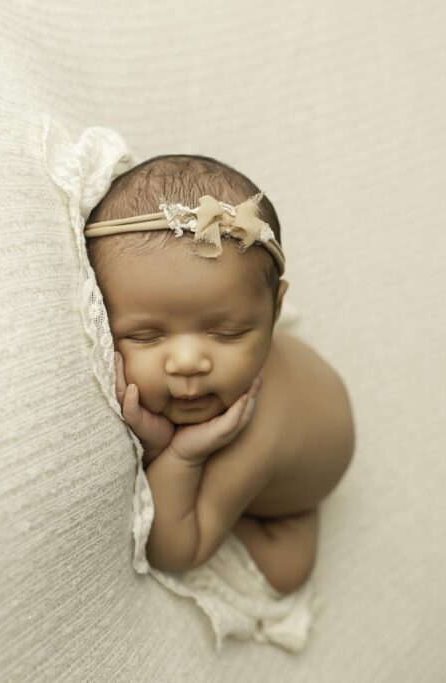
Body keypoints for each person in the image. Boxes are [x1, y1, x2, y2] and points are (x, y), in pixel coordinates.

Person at [84, 154, 355, 595]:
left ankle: (270, 512)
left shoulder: (255, 436)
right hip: (306, 378)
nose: (188, 362)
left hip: (300, 486)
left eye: (227, 332)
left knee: (288, 572)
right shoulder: (216, 364)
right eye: (147, 336)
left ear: (276, 310)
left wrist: (179, 455)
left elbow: (175, 554)